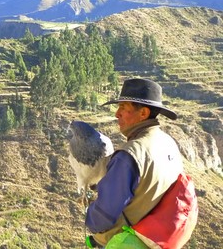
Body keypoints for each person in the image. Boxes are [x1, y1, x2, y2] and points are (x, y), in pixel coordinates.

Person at [84, 78, 197, 248]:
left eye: (123, 107)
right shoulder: (168, 143)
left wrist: (89, 216)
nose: (117, 113)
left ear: (143, 113)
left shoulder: (129, 155)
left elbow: (104, 215)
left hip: (123, 242)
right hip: (150, 240)